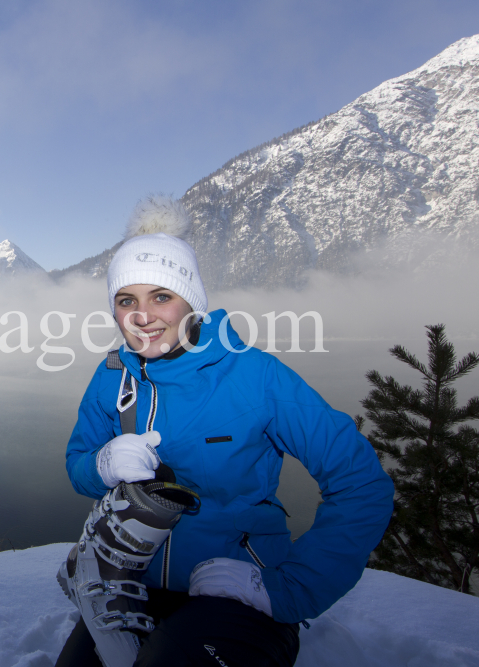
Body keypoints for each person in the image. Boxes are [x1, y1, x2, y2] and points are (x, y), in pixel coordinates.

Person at [56, 196, 394, 667]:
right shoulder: (113, 375)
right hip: (134, 583)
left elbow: (363, 485)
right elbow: (78, 465)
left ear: (191, 301)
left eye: (161, 297)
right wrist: (101, 464)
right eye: (126, 300)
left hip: (240, 597)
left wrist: (285, 589)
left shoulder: (255, 377)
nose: (142, 316)